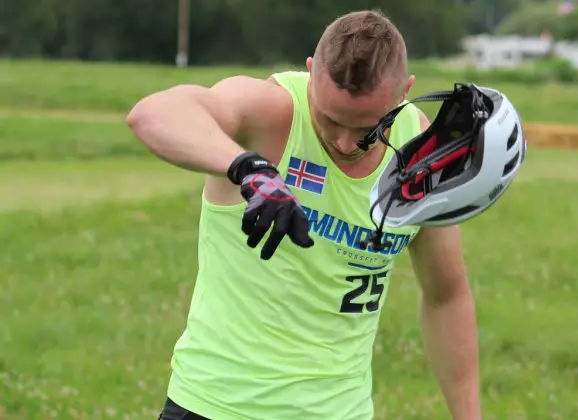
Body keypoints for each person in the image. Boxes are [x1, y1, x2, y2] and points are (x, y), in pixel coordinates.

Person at [127, 9, 482, 420]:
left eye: (369, 127)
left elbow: (446, 295)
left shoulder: (418, 152)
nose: (346, 143)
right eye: (330, 120)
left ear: (405, 90)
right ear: (311, 73)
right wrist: (250, 169)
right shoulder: (271, 112)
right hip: (217, 406)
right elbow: (153, 114)